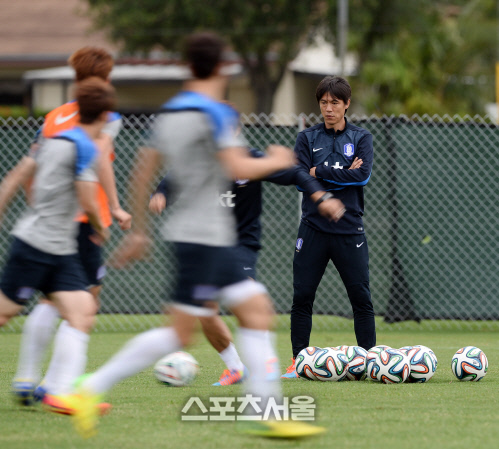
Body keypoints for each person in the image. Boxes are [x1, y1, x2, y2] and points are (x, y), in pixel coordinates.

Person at [62, 31, 325, 439]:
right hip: (205, 237)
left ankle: (91, 386)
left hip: (192, 236)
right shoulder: (214, 112)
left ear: (189, 65)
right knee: (241, 316)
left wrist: (141, 233)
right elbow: (237, 165)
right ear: (222, 66)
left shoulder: (173, 110)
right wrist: (274, 159)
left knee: (200, 326)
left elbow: (145, 167)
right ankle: (263, 411)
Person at [149, 146, 345, 386]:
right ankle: (235, 368)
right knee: (204, 309)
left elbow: (295, 173)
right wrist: (160, 194)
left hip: (240, 243)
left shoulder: (251, 160)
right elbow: (172, 178)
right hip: (206, 244)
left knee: (247, 294)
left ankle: (266, 362)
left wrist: (322, 197)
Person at [10, 46, 132, 410]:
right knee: (83, 302)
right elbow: (101, 163)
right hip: (84, 219)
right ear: (105, 77)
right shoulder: (105, 116)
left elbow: (33, 164)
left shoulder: (53, 117)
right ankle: (54, 385)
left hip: (51, 219)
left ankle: (28, 377)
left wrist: (36, 203)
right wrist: (113, 207)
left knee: (50, 299)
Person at [281, 75, 376, 379]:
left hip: (350, 230)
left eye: (335, 102)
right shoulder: (307, 138)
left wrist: (318, 171)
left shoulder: (361, 138)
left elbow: (362, 177)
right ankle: (298, 364)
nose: (329, 108)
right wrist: (333, 173)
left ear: (347, 104)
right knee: (302, 297)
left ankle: (371, 364)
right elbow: (299, 179)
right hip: (313, 230)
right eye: (324, 102)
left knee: (361, 299)